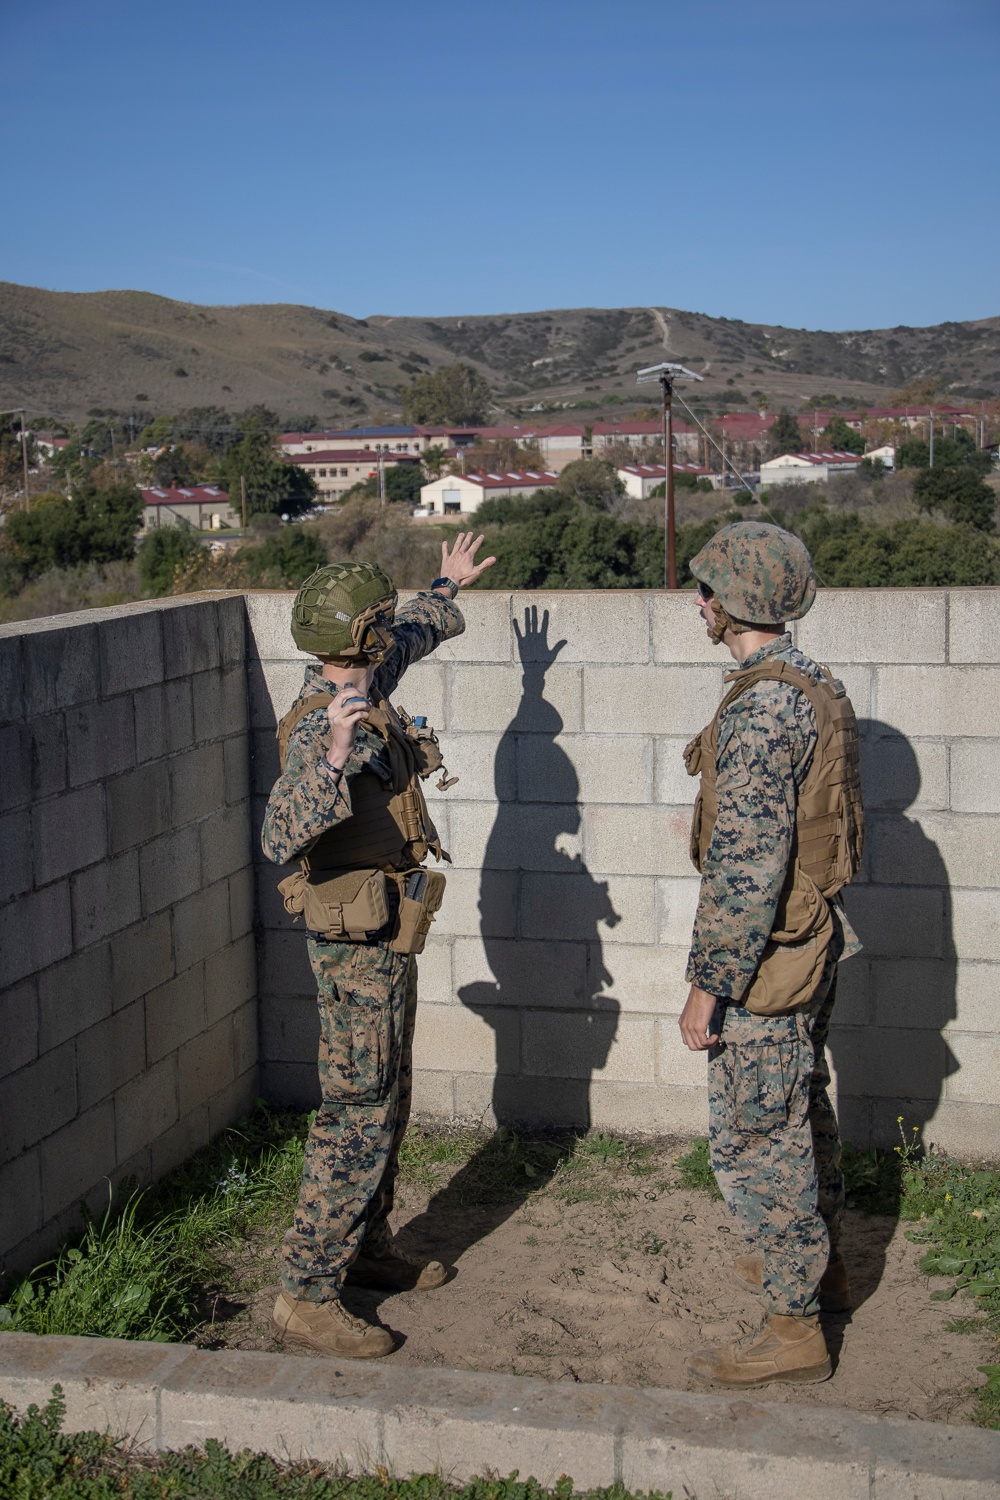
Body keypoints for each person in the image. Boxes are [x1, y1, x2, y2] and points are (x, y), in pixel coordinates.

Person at [262, 533, 495, 1358]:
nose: (392, 633)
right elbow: (276, 834)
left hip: (387, 928)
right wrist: (329, 759)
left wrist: (445, 585)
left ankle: (365, 1248)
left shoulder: (366, 676)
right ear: (357, 637)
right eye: (381, 623)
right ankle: (305, 1292)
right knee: (356, 1111)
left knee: (387, 1095)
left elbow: (415, 634)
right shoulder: (317, 722)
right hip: (351, 944)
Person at [678, 521, 863, 1388]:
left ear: (731, 603)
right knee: (803, 1112)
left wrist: (707, 991)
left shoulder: (762, 707)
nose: (699, 603)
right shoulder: (814, 685)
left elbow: (745, 871)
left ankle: (794, 1327)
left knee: (758, 1137)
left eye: (706, 590)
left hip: (765, 958)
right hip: (809, 938)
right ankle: (820, 1268)